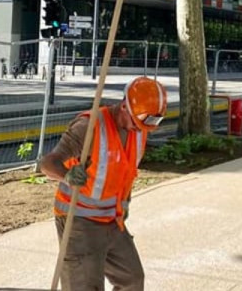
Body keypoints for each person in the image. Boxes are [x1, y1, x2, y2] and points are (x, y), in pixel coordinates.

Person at [40, 76, 168, 291]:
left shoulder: (140, 130)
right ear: (125, 106)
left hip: (112, 220)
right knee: (85, 286)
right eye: (137, 123)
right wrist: (67, 175)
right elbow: (47, 163)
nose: (140, 129)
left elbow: (123, 175)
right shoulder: (90, 127)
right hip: (79, 220)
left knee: (132, 280)